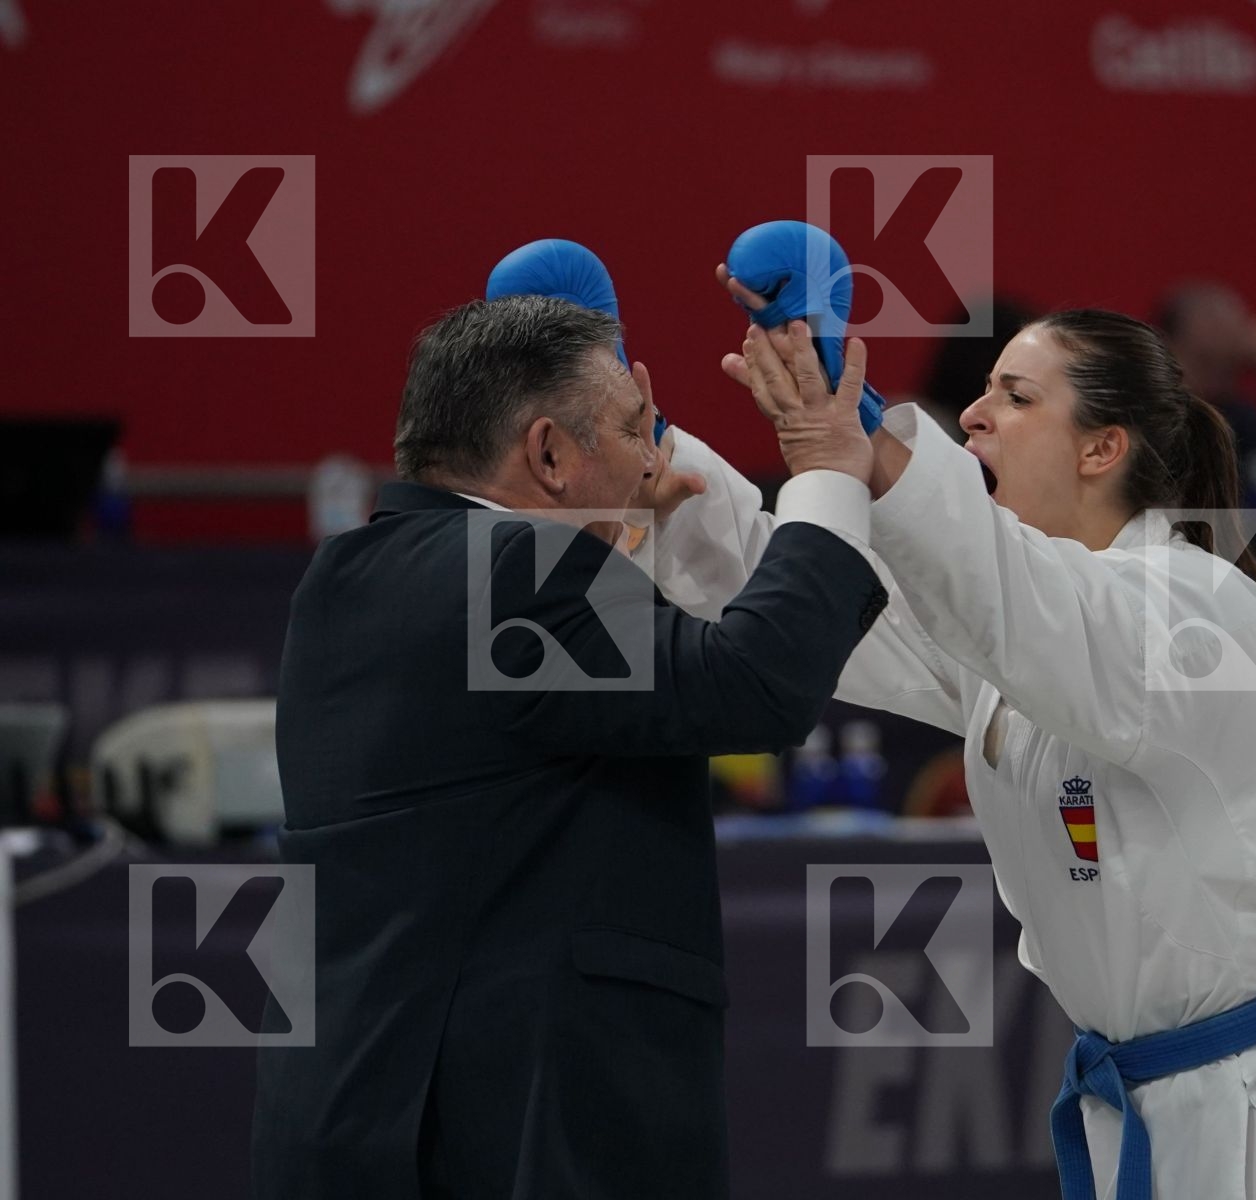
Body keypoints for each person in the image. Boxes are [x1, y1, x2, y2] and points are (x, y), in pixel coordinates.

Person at [643, 283, 1256, 1198]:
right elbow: (803, 580)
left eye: (1015, 396)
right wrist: (640, 450)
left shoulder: (1196, 608)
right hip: (1159, 1106)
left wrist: (878, 451)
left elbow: (1024, 605)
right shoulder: (1010, 626)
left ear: (1101, 448)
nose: (973, 412)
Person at [251, 294, 887, 1199]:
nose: (652, 459)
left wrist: (617, 537)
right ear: (548, 453)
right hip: (511, 1139)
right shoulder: (511, 573)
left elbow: (546, 718)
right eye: (636, 429)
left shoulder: (344, 581)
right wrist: (825, 473)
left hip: (358, 1124)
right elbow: (753, 683)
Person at [1155, 280, 1256, 505]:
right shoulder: (1150, 416)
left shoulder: (1243, 417)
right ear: (1194, 331)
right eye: (1226, 320)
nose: (1246, 331)